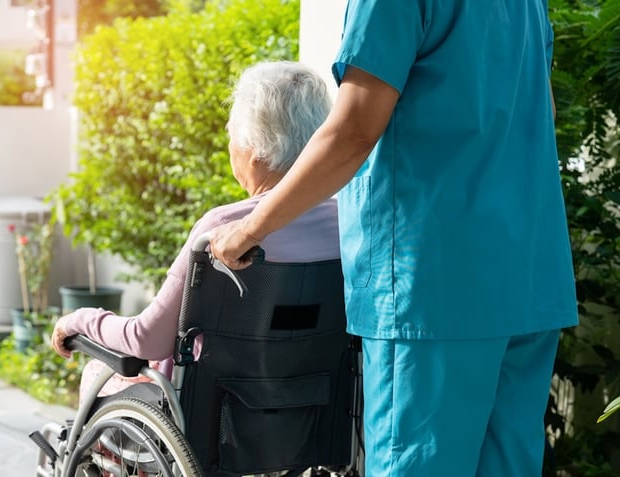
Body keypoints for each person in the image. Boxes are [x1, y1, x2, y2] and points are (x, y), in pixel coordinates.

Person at [209, 2, 579, 476]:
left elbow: (354, 132)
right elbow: (539, 112)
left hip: (433, 289)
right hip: (525, 277)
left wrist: (248, 229)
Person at [51, 61, 340, 397]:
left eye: (232, 136)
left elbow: (148, 339)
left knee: (98, 372)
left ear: (255, 152)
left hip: (214, 414)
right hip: (314, 409)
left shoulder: (225, 231)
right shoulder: (346, 224)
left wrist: (80, 319)